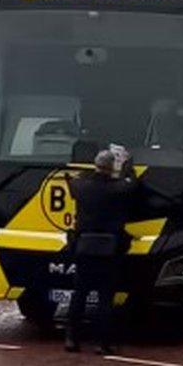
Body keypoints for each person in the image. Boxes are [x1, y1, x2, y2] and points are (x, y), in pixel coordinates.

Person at [64, 149, 136, 354]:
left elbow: (72, 181)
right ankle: (101, 343)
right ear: (111, 167)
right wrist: (127, 169)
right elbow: (132, 184)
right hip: (109, 249)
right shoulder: (118, 189)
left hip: (84, 247)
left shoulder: (82, 187)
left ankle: (71, 339)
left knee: (79, 295)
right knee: (105, 298)